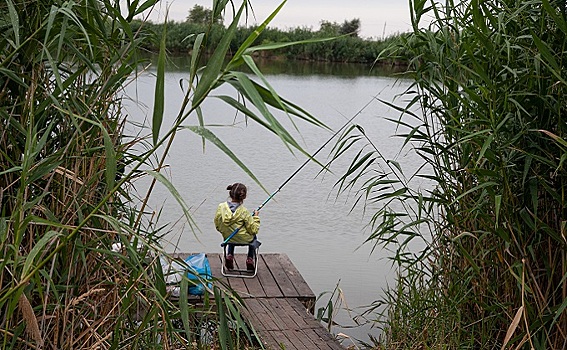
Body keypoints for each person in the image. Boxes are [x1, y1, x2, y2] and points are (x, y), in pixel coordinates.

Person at [214, 183, 260, 271]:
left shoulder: (221, 207)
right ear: (244, 196)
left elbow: (217, 223)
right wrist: (256, 217)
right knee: (254, 237)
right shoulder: (244, 212)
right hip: (245, 239)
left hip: (228, 238)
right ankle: (250, 258)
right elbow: (253, 230)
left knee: (232, 232)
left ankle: (229, 255)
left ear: (230, 193)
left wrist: (223, 231)